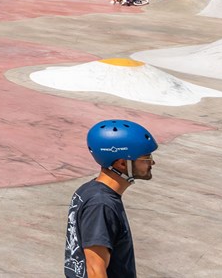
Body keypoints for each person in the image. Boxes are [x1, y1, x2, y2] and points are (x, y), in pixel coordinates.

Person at [64, 119, 158, 278]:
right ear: (122, 164)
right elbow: (95, 271)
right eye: (146, 158)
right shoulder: (101, 205)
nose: (153, 162)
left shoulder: (88, 190)